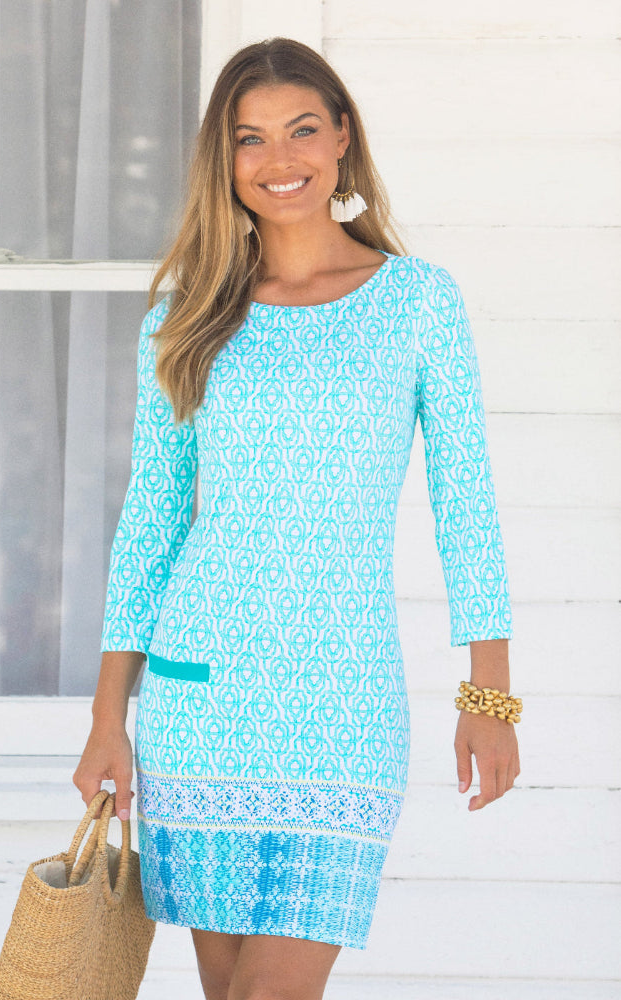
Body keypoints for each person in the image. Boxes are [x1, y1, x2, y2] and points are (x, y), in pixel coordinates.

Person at [73, 37, 520, 1000]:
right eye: (251, 139)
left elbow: (466, 506)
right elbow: (151, 522)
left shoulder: (418, 302)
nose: (280, 160)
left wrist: (489, 697)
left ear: (344, 138)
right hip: (199, 701)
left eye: (302, 130)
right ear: (223, 162)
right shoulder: (190, 317)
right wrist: (110, 716)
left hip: (344, 708)